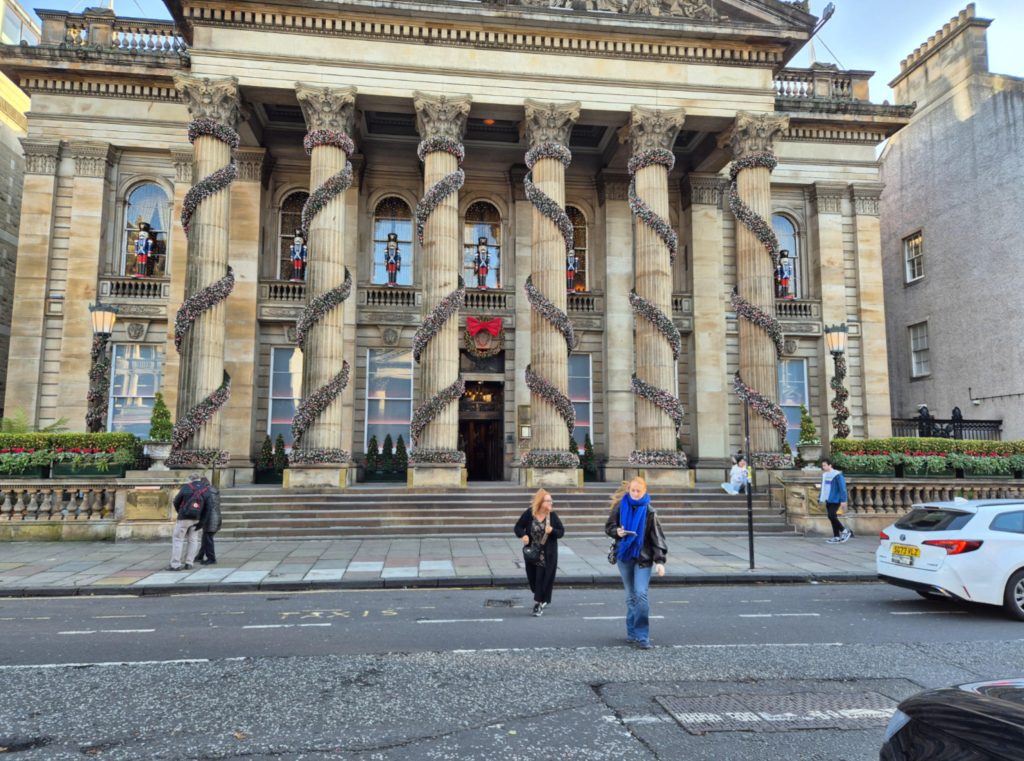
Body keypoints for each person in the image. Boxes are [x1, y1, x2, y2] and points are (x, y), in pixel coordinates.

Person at [605, 477, 668, 649]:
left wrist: (660, 561)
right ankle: (632, 631)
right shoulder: (620, 506)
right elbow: (608, 526)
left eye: (638, 491)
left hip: (643, 558)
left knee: (640, 594)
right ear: (629, 490)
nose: (635, 493)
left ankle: (642, 635)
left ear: (644, 492)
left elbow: (657, 538)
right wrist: (616, 532)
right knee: (630, 596)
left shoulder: (649, 511)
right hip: (624, 557)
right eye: (632, 490)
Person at [514, 488, 565, 617]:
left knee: (542, 579)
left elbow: (561, 532)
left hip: (547, 555)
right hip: (532, 553)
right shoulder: (530, 514)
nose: (550, 503)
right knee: (533, 581)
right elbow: (518, 527)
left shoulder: (552, 516)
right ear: (540, 502)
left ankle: (538, 604)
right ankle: (541, 597)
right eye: (548, 501)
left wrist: (552, 530)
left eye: (551, 501)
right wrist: (523, 535)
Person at [168, 473, 210, 571]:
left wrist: (181, 512)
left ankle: (175, 564)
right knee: (193, 540)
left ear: (190, 479)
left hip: (184, 518)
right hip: (197, 519)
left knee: (178, 540)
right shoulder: (206, 489)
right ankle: (189, 563)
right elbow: (208, 508)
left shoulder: (186, 487)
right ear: (200, 479)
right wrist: (202, 522)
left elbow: (176, 501)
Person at [819, 457, 852, 544]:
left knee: (832, 516)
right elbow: (824, 487)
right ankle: (836, 536)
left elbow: (842, 488)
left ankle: (844, 531)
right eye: (822, 465)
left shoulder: (837, 475)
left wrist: (843, 500)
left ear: (830, 465)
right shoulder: (825, 475)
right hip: (828, 499)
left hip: (835, 499)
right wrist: (820, 497)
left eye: (825, 465)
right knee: (832, 517)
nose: (823, 467)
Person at [193, 476, 221, 566]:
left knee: (208, 538)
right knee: (206, 538)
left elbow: (205, 506)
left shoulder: (206, 492)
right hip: (217, 517)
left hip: (210, 518)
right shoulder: (214, 490)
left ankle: (211, 558)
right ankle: (200, 556)